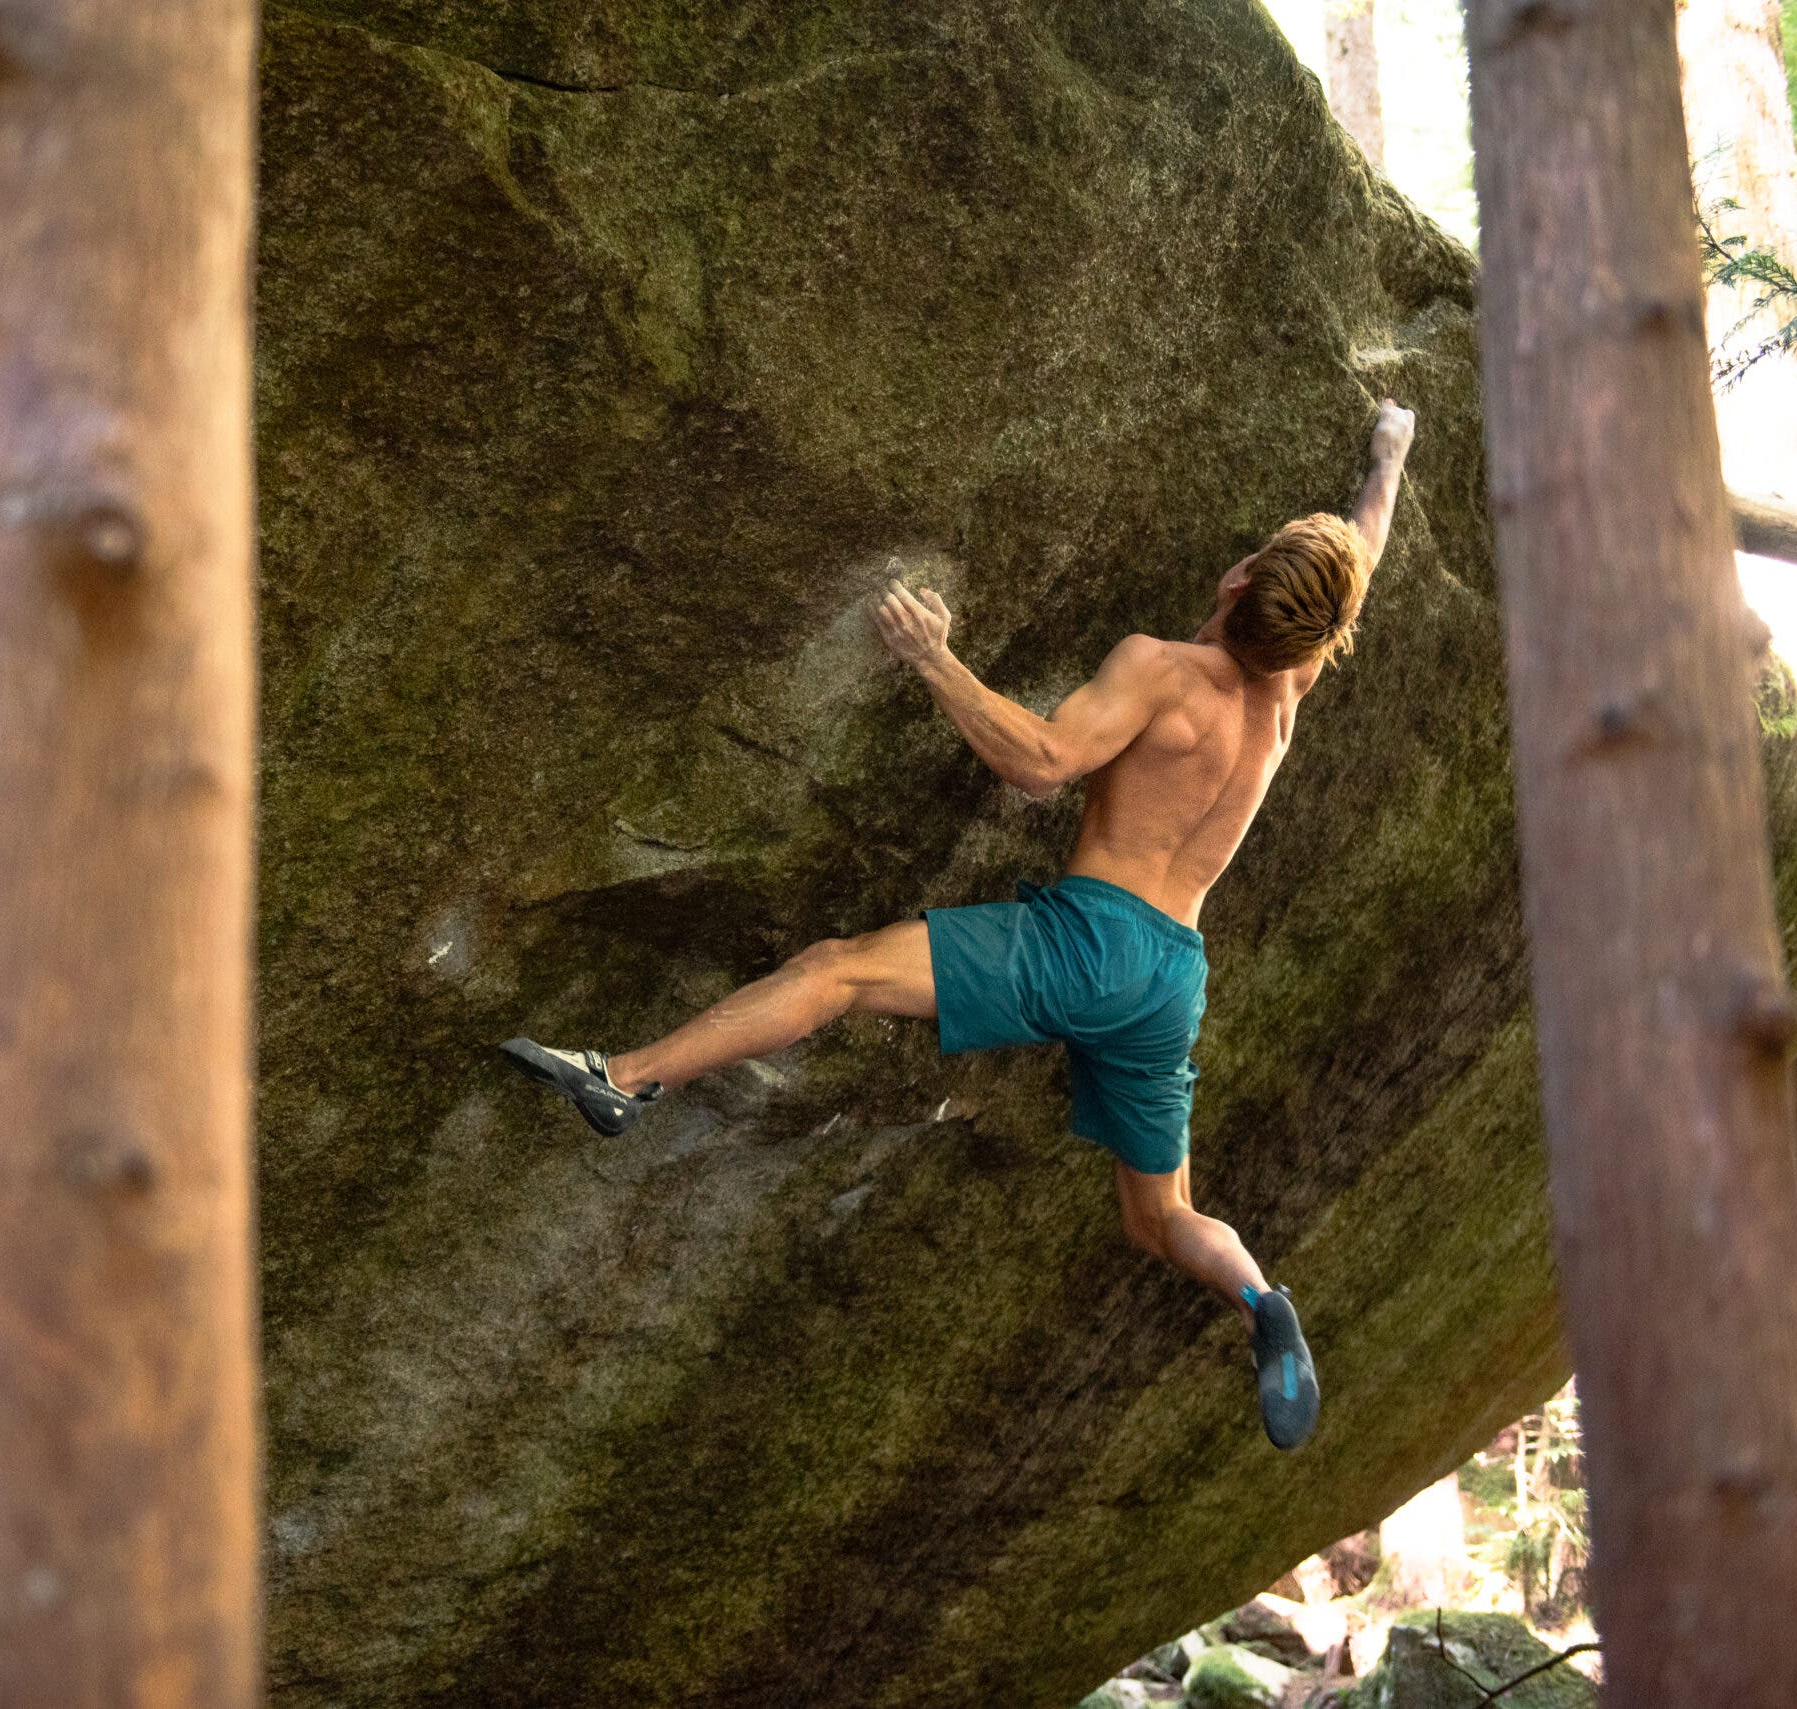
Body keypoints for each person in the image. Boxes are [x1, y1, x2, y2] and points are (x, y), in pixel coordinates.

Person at [503, 400, 1416, 1449]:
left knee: (836, 971)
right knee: (1158, 1217)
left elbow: (1039, 762)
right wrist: (1385, 456)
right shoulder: (1289, 688)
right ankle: (1259, 1297)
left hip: (1088, 938)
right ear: (1319, 633)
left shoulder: (1164, 670)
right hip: (1170, 977)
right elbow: (1364, 555)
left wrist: (934, 657)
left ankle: (621, 1076)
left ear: (1233, 581)